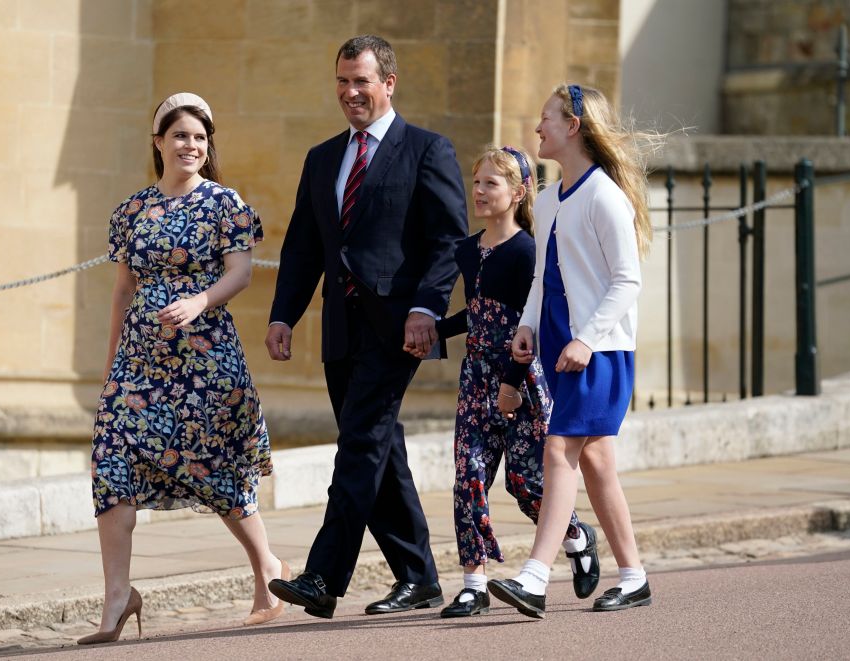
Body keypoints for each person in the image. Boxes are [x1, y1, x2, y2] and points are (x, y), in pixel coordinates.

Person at [264, 35, 468, 619]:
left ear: (388, 84)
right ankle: (419, 577)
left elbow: (448, 242)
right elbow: (303, 245)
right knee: (380, 449)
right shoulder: (323, 157)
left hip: (399, 327)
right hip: (339, 327)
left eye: (361, 81)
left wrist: (427, 309)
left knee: (358, 443)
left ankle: (324, 576)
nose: (350, 92)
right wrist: (283, 314)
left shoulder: (428, 150)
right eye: (342, 81)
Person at [79, 93, 289, 645]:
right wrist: (110, 371)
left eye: (199, 137)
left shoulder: (225, 203)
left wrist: (199, 301)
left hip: (206, 362)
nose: (190, 145)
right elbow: (123, 290)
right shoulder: (130, 212)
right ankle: (118, 597)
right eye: (179, 135)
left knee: (213, 468)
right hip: (139, 364)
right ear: (158, 142)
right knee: (111, 464)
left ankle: (267, 565)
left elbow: (240, 274)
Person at [488, 84, 654, 618]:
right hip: (560, 342)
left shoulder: (606, 196)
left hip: (599, 349)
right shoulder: (547, 197)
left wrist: (587, 340)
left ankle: (535, 577)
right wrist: (528, 327)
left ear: (574, 126)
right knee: (599, 460)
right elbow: (541, 277)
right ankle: (634, 577)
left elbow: (627, 281)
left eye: (546, 119)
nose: (537, 128)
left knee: (560, 451)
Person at [433, 146, 599, 619]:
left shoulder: (529, 250)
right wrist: (436, 329)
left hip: (521, 380)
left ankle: (575, 535)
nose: (480, 191)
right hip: (475, 380)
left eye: (492, 183)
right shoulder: (467, 250)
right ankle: (472, 583)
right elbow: (480, 310)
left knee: (526, 483)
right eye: (477, 181)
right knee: (469, 476)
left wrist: (512, 381)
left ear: (518, 191)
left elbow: (524, 321)